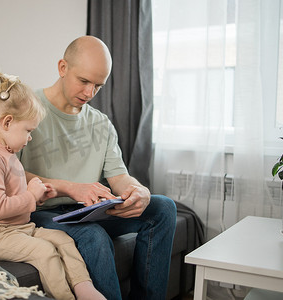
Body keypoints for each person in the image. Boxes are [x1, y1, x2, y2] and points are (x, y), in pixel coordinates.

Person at [17, 36, 177, 300]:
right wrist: (70, 188)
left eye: (98, 86)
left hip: (88, 210)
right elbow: (11, 175)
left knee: (163, 208)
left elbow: (119, 176)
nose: (90, 93)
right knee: (93, 235)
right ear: (62, 67)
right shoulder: (27, 108)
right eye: (84, 81)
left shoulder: (101, 124)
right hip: (42, 213)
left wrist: (138, 191)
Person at [0, 72, 106, 300]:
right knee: (44, 251)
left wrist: (39, 195)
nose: (30, 138)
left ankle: (84, 289)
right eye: (28, 131)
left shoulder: (8, 153)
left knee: (64, 240)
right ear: (7, 122)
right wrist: (30, 197)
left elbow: (16, 198)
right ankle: (65, 297)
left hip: (18, 229)